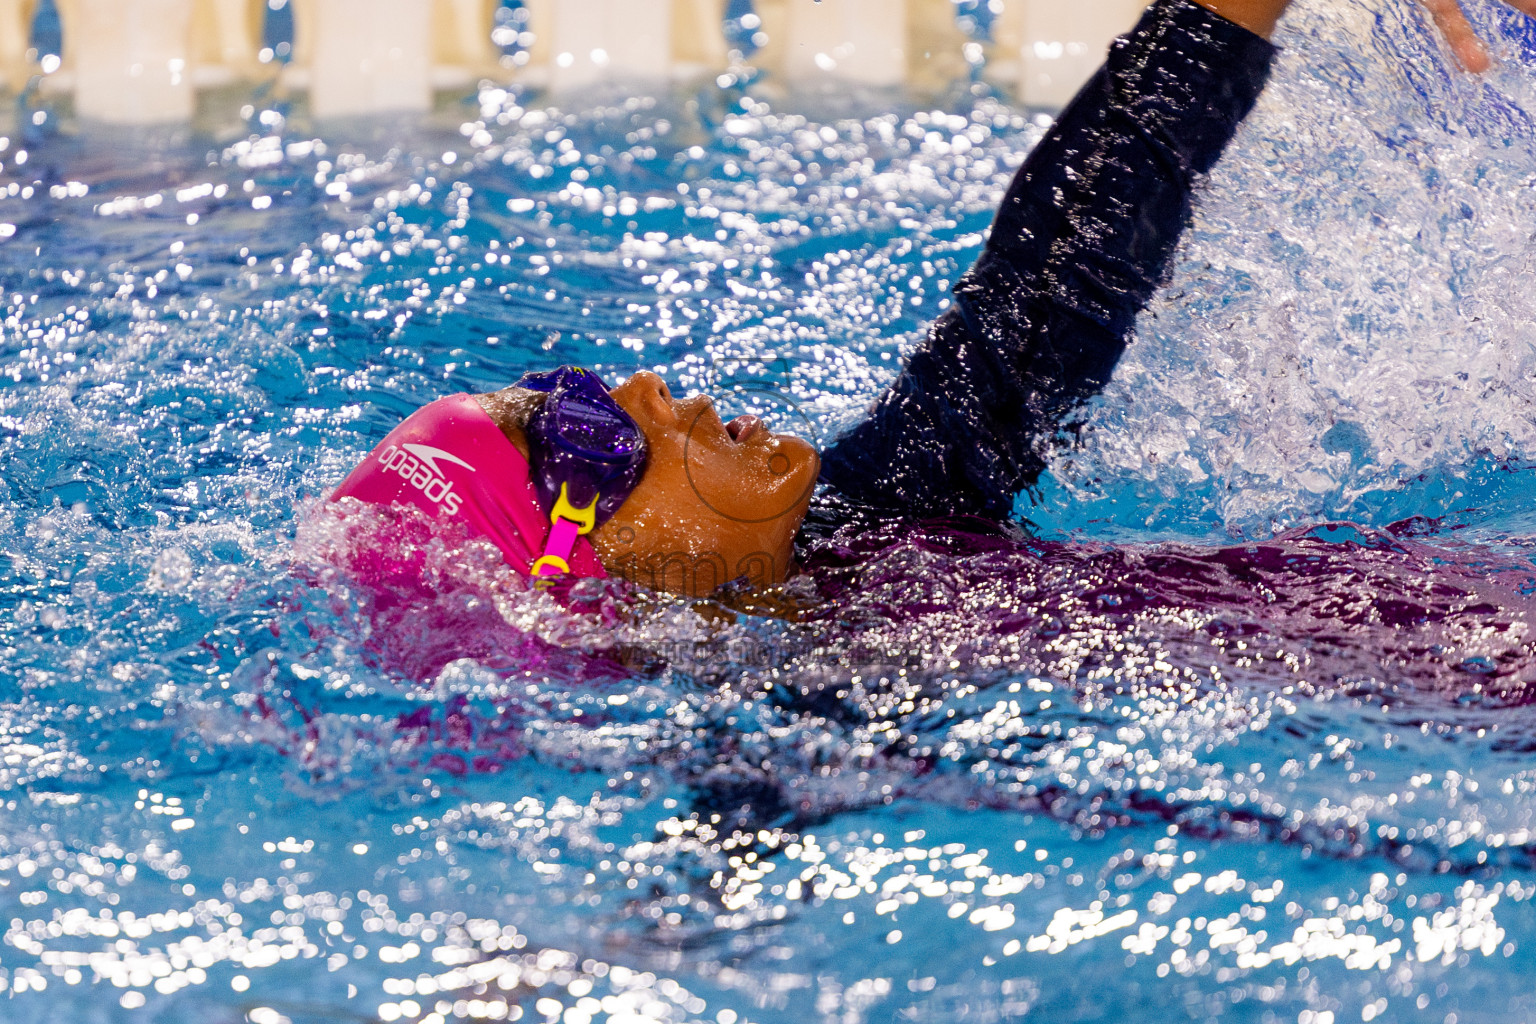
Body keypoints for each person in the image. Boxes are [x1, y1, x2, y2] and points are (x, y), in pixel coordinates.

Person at [332, 0, 1527, 598]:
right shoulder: (767, 731)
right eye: (588, 433)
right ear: (577, 572)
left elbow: (1064, 257)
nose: (644, 390)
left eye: (583, 387)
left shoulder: (884, 512)